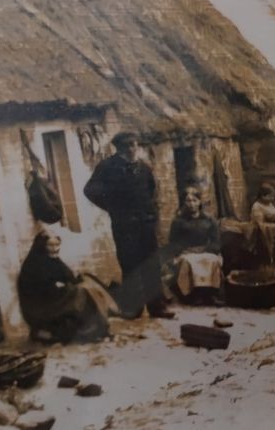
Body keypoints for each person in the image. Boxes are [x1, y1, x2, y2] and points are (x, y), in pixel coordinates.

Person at [84, 131, 174, 319]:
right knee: (130, 265)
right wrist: (113, 208)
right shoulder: (107, 167)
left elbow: (150, 189)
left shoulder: (143, 168)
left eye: (134, 144)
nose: (133, 149)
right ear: (119, 148)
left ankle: (157, 307)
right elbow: (90, 190)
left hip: (145, 224)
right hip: (124, 226)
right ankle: (133, 308)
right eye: (128, 146)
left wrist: (147, 211)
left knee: (151, 265)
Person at [17, 231, 116, 343]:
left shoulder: (53, 260)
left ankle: (96, 328)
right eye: (50, 245)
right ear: (42, 246)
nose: (55, 248)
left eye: (57, 245)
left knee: (86, 285)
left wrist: (76, 280)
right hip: (41, 307)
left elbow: (67, 275)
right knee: (81, 293)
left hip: (54, 300)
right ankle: (89, 330)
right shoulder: (33, 264)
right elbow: (39, 291)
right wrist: (64, 287)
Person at [166, 185, 223, 304]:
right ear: (184, 202)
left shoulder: (209, 220)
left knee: (212, 260)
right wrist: (183, 251)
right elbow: (173, 242)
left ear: (199, 201)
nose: (191, 204)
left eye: (194, 200)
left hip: (205, 250)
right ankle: (192, 294)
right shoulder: (178, 221)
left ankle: (211, 293)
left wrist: (206, 249)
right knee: (190, 262)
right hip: (186, 252)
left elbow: (216, 241)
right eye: (188, 201)